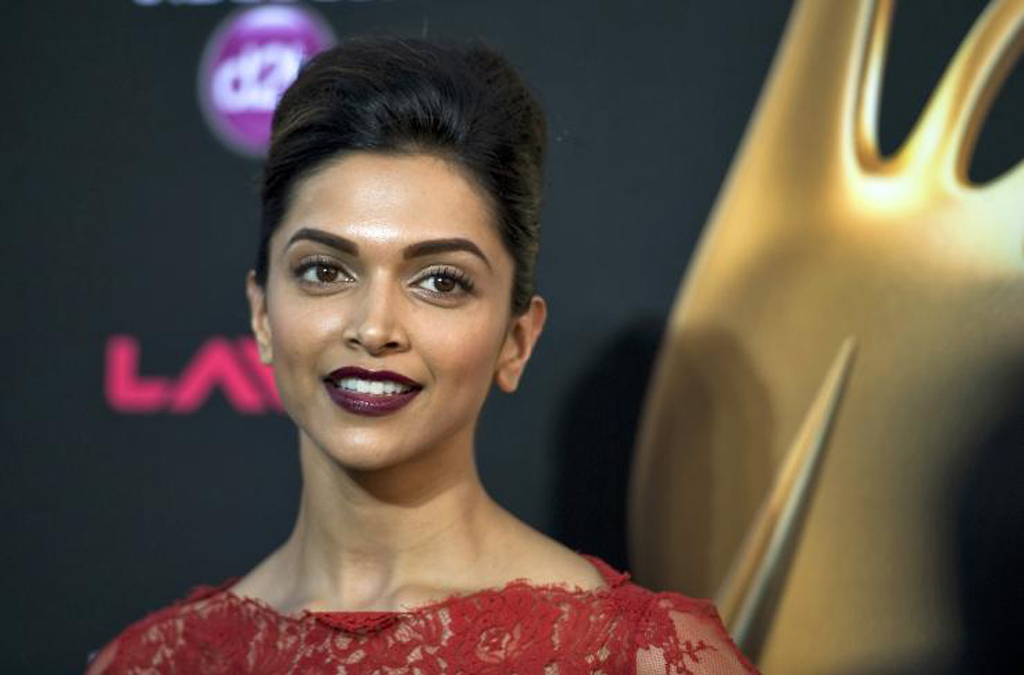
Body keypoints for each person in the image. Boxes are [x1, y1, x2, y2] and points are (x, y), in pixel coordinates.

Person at [87, 36, 759, 674]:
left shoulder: (639, 657)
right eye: (325, 270)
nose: (374, 326)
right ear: (262, 314)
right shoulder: (152, 661)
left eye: (440, 280)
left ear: (517, 339)